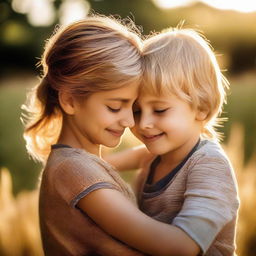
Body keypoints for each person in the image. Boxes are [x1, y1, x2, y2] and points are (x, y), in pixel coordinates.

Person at [22, 16, 200, 256]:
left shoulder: (77, 165)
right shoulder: (74, 171)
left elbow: (136, 159)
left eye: (133, 107)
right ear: (70, 100)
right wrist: (215, 206)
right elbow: (177, 248)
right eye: (115, 107)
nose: (129, 121)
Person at [106, 28, 240, 255]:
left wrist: (114, 218)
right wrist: (87, 164)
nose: (144, 123)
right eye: (137, 111)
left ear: (202, 108)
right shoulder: (156, 157)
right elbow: (134, 156)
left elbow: (183, 246)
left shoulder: (209, 166)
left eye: (159, 110)